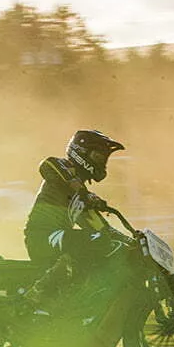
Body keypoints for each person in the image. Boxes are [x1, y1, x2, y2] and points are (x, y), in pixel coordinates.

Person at [21, 129, 125, 308]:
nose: (102, 162)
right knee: (94, 242)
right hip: (41, 237)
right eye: (99, 157)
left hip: (55, 237)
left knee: (106, 243)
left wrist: (129, 240)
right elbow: (47, 165)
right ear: (82, 153)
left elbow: (102, 228)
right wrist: (83, 193)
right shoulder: (60, 168)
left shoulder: (81, 196)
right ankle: (38, 292)